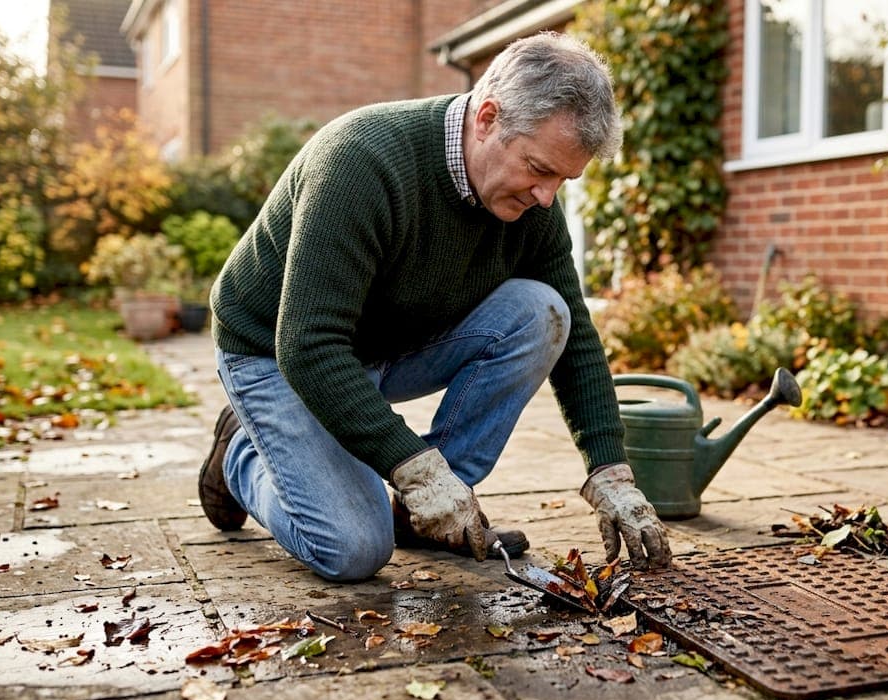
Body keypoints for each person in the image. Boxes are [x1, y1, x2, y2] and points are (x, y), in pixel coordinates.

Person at [199, 31, 671, 582]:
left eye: (563, 181)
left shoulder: (533, 207)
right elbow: (307, 344)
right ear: (488, 118)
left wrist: (610, 471)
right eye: (539, 169)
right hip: (277, 353)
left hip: (386, 343)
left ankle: (426, 513)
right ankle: (241, 454)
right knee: (353, 549)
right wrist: (413, 468)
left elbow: (577, 339)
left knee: (543, 312)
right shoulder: (360, 161)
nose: (546, 197)